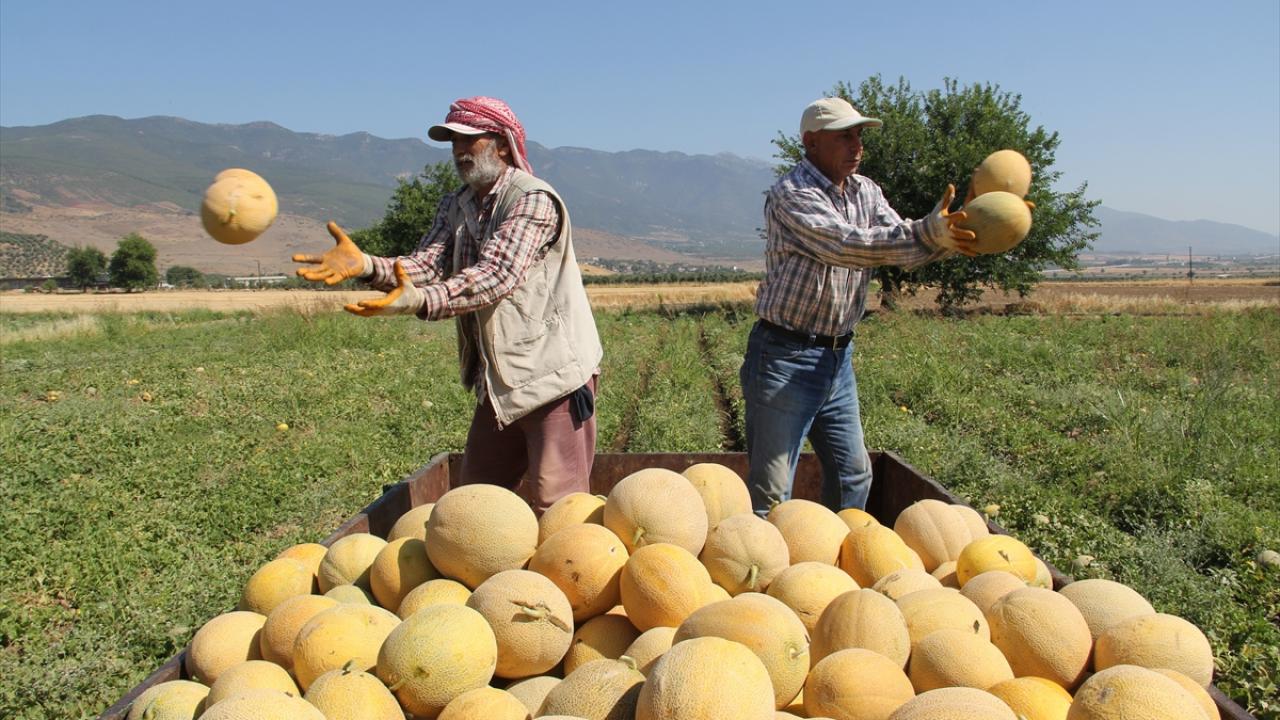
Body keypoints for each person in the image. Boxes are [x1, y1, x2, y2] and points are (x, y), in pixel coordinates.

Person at [293, 96, 603, 514]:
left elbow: (497, 276)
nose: (459, 150)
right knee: (473, 505)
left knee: (558, 507)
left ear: (503, 145)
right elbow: (426, 264)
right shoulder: (455, 204)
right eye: (453, 141)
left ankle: (568, 576)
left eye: (469, 140)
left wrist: (417, 302)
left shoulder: (532, 200)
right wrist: (365, 265)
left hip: (553, 377)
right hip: (501, 382)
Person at [739, 96, 977, 516]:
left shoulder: (866, 191)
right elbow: (847, 245)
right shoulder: (791, 193)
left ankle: (834, 567)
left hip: (836, 358)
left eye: (859, 135)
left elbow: (899, 243)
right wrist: (929, 232)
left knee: (854, 475)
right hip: (785, 358)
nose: (857, 145)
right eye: (844, 136)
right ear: (812, 142)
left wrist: (948, 237)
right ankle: (769, 576)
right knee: (772, 494)